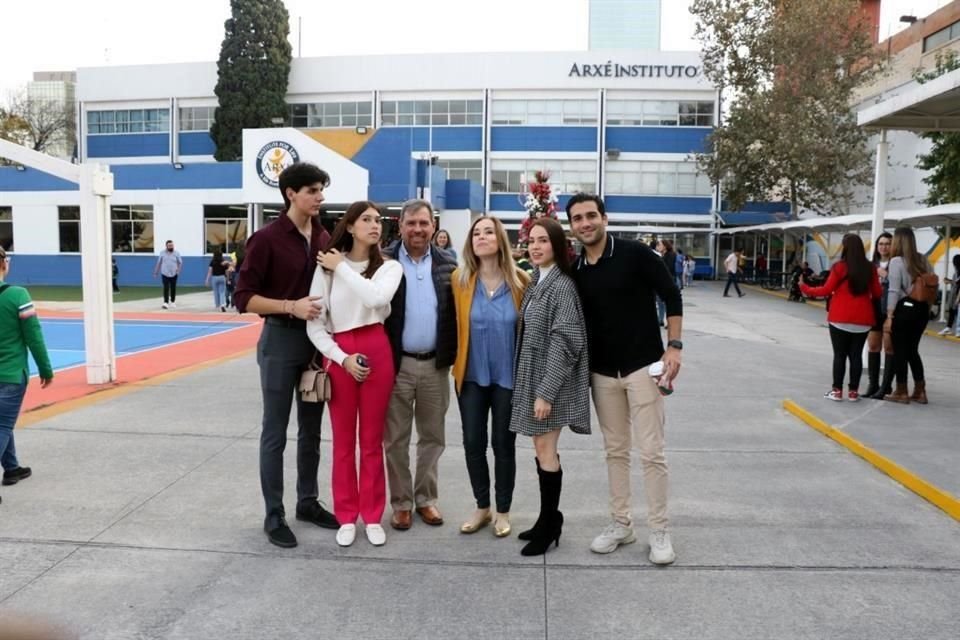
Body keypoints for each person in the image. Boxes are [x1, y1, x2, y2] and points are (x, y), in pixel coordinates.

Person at [567, 193, 682, 565]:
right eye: (577, 219)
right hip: (602, 374)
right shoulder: (577, 268)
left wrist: (674, 347)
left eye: (590, 216)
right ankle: (621, 524)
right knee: (615, 452)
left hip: (642, 367)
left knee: (652, 453)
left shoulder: (635, 254)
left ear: (604, 218)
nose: (585, 223)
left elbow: (672, 295)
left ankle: (660, 531)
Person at [233, 162, 338, 548]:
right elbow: (243, 298)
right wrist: (290, 306)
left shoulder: (323, 237)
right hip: (279, 341)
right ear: (291, 193)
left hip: (315, 344)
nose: (319, 197)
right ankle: (273, 513)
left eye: (321, 190)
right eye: (312, 190)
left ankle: (307, 502)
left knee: (311, 431)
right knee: (274, 431)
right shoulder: (265, 239)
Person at [307, 201, 403, 547]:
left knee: (373, 441)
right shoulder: (326, 268)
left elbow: (376, 300)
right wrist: (341, 358)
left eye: (378, 220)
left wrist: (342, 267)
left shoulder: (390, 268)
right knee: (344, 442)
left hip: (377, 348)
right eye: (366, 219)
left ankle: (373, 515)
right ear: (349, 226)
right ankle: (346, 515)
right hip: (340, 353)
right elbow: (315, 328)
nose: (375, 225)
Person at [509, 217, 590, 556]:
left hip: (549, 383)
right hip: (533, 378)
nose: (536, 246)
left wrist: (546, 392)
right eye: (532, 240)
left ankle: (550, 524)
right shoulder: (537, 281)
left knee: (545, 450)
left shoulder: (562, 286)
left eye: (543, 240)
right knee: (542, 450)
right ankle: (548, 518)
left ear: (558, 246)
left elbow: (567, 341)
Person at [451, 216, 530, 538]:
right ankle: (481, 506)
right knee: (473, 443)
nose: (481, 237)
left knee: (503, 445)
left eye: (488, 232)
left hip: (507, 379)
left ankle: (503, 511)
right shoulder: (460, 280)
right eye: (476, 233)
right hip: (470, 376)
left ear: (500, 240)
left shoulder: (521, 282)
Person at [382, 199, 458, 531]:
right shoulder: (382, 261)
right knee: (395, 439)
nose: (417, 229)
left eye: (424, 223)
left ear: (434, 226)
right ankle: (401, 503)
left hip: (435, 366)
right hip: (396, 365)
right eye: (411, 223)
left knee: (433, 437)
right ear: (400, 226)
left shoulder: (449, 264)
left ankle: (426, 499)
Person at [800, 234, 882, 402]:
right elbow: (878, 293)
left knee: (839, 355)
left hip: (839, 318)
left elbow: (825, 290)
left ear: (845, 248)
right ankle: (853, 392)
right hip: (863, 319)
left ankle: (837, 391)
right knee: (856, 356)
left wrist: (805, 287)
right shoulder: (870, 268)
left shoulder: (839, 267)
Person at [0, 245, 53, 506]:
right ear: (4, 264)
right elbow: (34, 335)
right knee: (2, 424)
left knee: (2, 422)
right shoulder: (18, 295)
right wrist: (45, 369)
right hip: (10, 374)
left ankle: (11, 468)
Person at [884, 227, 934, 405]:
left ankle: (901, 391)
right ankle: (920, 391)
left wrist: (890, 316)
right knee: (913, 350)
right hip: (922, 311)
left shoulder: (896, 261)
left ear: (898, 241)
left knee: (900, 352)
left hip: (904, 310)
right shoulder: (923, 260)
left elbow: (894, 290)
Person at [866, 232, 894, 398]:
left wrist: (887, 276)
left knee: (889, 347)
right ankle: (873, 384)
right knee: (873, 346)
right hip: (874, 307)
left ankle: (886, 386)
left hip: (890, 308)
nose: (884, 247)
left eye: (887, 243)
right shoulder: (871, 265)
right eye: (881, 244)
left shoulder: (897, 263)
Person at [153, 239, 182, 309]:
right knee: (166, 288)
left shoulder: (176, 253)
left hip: (174, 273)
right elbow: (159, 263)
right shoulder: (162, 253)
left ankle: (172, 301)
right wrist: (155, 272)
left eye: (172, 245)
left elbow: (180, 262)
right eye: (169, 245)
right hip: (164, 273)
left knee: (173, 288)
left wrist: (178, 270)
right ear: (166, 246)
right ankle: (165, 302)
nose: (171, 246)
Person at [937, 254, 960, 337]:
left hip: (957, 295)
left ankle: (956, 330)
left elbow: (958, 283)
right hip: (954, 294)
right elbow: (956, 282)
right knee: (952, 311)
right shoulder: (956, 272)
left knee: (957, 313)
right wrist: (949, 281)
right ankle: (948, 328)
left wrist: (950, 281)